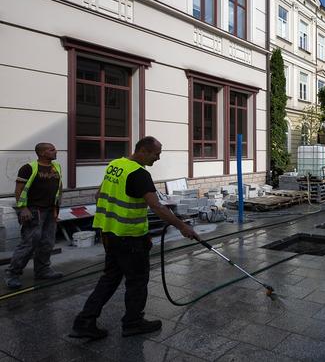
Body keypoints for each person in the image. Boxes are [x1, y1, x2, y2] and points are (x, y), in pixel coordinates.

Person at [70, 136, 200, 340]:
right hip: (130, 238)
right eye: (156, 154)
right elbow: (156, 206)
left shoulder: (116, 165)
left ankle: (84, 321)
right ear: (144, 151)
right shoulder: (140, 174)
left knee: (110, 278)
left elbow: (98, 195)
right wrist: (182, 226)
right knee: (137, 281)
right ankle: (133, 323)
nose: (158, 158)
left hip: (109, 233)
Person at [5, 143, 64, 290]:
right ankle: (12, 274)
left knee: (48, 242)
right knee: (29, 243)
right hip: (33, 210)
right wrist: (23, 208)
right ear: (43, 153)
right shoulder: (28, 168)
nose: (55, 151)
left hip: (50, 210)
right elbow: (18, 189)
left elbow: (59, 188)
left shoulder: (56, 167)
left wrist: (56, 210)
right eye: (52, 149)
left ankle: (42, 270)